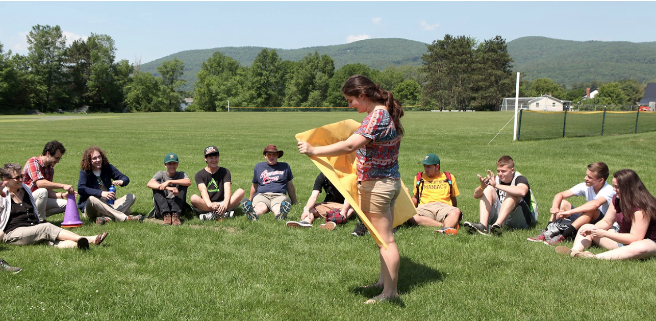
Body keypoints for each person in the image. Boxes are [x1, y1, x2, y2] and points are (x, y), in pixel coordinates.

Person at [298, 74, 404, 304]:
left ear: (363, 95)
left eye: (351, 100)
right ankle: (383, 282)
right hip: (388, 183)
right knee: (382, 238)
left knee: (386, 240)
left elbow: (349, 145)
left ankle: (390, 293)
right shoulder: (384, 113)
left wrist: (314, 150)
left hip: (377, 187)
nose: (350, 105)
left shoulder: (377, 116)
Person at [1, 163, 107, 250]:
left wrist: (61, 195)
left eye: (22, 176)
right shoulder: (2, 196)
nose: (21, 179)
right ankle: (89, 239)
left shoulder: (25, 189)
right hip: (13, 233)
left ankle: (79, 245)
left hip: (32, 228)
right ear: (6, 180)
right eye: (17, 178)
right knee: (46, 228)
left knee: (52, 241)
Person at [555, 169, 656, 260]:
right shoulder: (617, 199)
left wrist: (605, 234)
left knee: (641, 247)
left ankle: (593, 258)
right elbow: (607, 221)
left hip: (646, 242)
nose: (614, 189)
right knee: (586, 226)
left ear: (628, 188)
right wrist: (593, 230)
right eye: (614, 186)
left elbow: (635, 238)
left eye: (617, 187)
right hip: (622, 240)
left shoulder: (641, 208)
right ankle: (574, 251)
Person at [528, 162, 615, 245]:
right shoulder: (586, 186)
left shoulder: (609, 190)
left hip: (602, 223)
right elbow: (560, 195)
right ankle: (547, 232)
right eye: (586, 175)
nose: (585, 178)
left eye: (590, 177)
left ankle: (562, 236)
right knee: (563, 203)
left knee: (591, 211)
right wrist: (555, 207)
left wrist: (570, 212)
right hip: (585, 218)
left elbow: (595, 204)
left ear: (601, 180)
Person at [464, 155, 537, 236]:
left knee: (512, 192)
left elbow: (522, 191)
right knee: (488, 189)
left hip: (523, 219)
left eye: (503, 171)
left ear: (512, 170)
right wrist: (482, 187)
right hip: (505, 217)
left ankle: (497, 225)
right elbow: (476, 195)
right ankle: (483, 226)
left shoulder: (519, 178)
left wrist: (496, 186)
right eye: (498, 171)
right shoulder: (495, 179)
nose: (500, 174)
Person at [77, 146, 140, 224]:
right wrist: (101, 193)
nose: (98, 160)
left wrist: (122, 181)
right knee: (92, 199)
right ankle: (124, 217)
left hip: (109, 204)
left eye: (99, 157)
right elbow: (81, 188)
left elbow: (125, 178)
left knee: (131, 197)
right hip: (93, 208)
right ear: (89, 161)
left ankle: (106, 218)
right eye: (94, 158)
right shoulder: (85, 172)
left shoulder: (107, 168)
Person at [408, 153, 462, 235]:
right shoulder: (419, 177)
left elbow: (453, 198)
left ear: (437, 167)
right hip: (425, 207)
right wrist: (410, 212)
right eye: (424, 166)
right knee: (411, 217)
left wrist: (453, 211)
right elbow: (415, 198)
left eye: (429, 167)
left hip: (443, 206)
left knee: (456, 211)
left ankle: (446, 228)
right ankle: (444, 225)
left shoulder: (449, 177)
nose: (426, 169)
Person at [241, 145, 297, 221]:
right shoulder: (259, 166)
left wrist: (295, 201)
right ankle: (252, 214)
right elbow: (254, 185)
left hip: (279, 195)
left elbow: (290, 186)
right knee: (261, 207)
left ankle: (281, 215)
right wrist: (250, 200)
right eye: (268, 155)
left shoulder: (285, 166)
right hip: (262, 195)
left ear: (278, 156)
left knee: (277, 207)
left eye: (274, 154)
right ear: (265, 156)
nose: (271, 157)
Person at [22, 140, 74, 220]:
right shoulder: (33, 161)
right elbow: (40, 183)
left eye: (59, 158)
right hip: (26, 200)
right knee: (42, 191)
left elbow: (48, 191)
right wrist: (63, 186)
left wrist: (62, 195)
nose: (58, 161)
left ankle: (32, 218)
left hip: (39, 200)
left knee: (67, 205)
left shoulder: (50, 169)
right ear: (48, 153)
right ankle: (41, 221)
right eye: (56, 158)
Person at [190, 146, 245, 220]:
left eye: (216, 157)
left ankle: (213, 214)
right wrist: (210, 205)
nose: (214, 160)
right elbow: (203, 191)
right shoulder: (199, 175)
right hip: (207, 203)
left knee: (241, 191)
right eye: (211, 158)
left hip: (223, 202)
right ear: (205, 159)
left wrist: (225, 203)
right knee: (193, 198)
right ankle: (223, 213)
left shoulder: (225, 171)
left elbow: (227, 189)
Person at [286, 172, 354, 230]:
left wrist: (344, 211)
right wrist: (306, 209)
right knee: (310, 208)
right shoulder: (322, 176)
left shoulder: (346, 176)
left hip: (344, 205)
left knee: (351, 210)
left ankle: (332, 222)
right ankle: (305, 222)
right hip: (328, 204)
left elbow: (349, 197)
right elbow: (314, 196)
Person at [147, 152, 192, 226]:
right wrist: (168, 187)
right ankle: (166, 215)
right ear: (165, 165)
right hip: (163, 205)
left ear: (177, 164)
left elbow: (188, 182)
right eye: (169, 164)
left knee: (183, 185)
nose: (172, 166)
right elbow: (149, 183)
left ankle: (175, 215)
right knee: (156, 187)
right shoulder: (160, 174)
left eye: (174, 163)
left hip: (177, 204)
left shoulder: (181, 174)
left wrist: (169, 181)